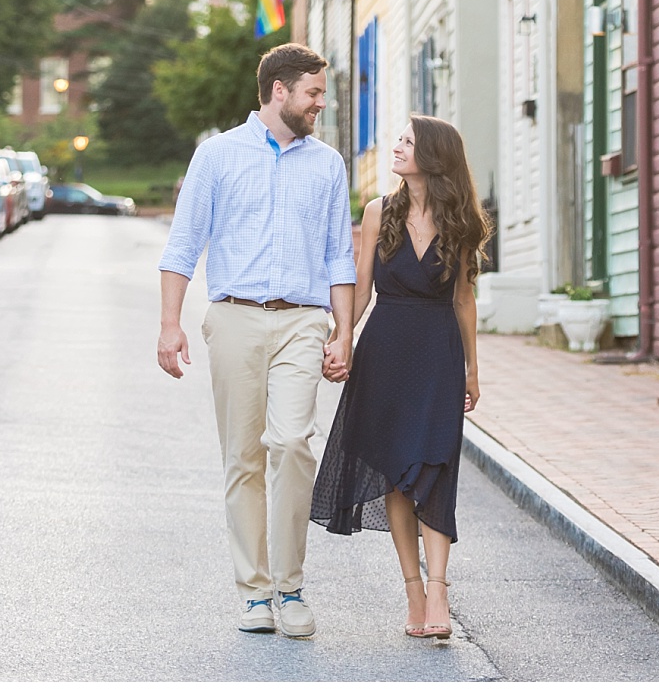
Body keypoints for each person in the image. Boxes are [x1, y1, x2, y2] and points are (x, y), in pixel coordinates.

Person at [156, 43, 355, 640]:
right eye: (314, 93)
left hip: (302, 319)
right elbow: (183, 244)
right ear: (279, 91)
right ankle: (254, 593)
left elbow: (338, 257)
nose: (322, 102)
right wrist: (171, 324)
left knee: (292, 442)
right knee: (242, 456)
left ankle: (290, 586)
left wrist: (344, 332)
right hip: (235, 317)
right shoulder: (216, 156)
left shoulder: (328, 164)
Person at [310, 114, 487, 640]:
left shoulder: (461, 219)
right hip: (383, 352)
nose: (397, 147)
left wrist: (473, 367)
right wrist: (342, 337)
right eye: (400, 140)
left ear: (433, 155)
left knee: (433, 466)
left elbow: (463, 299)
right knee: (393, 470)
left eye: (407, 142)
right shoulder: (377, 212)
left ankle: (439, 591)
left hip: (437, 356)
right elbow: (361, 290)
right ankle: (412, 587)